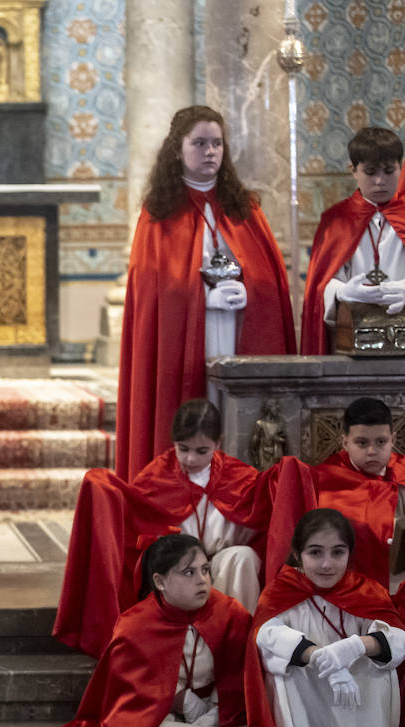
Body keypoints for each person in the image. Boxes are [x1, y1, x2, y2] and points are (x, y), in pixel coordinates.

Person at [54, 398, 315, 658]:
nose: (191, 459)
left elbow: (260, 515)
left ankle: (241, 646)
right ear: (173, 443)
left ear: (218, 443)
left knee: (243, 557)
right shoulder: (158, 476)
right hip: (179, 570)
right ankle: (188, 647)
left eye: (202, 451)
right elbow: (138, 523)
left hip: (220, 567)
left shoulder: (237, 476)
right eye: (183, 448)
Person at [115, 105, 294, 479]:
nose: (210, 151)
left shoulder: (245, 207)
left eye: (217, 143)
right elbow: (153, 289)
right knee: (196, 404)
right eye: (199, 143)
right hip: (186, 337)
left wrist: (252, 293)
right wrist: (202, 299)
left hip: (238, 330)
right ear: (177, 149)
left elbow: (268, 276)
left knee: (239, 415)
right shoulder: (159, 212)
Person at [39, 534, 260, 727]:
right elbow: (128, 704)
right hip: (159, 722)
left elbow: (242, 684)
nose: (202, 580)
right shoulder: (136, 625)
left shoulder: (231, 614)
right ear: (160, 582)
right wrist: (186, 703)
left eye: (205, 570)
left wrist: (214, 714)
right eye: (188, 573)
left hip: (216, 721)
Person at [246, 508, 405, 727]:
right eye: (315, 553)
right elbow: (266, 635)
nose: (327, 563)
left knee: (376, 669)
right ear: (297, 553)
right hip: (310, 690)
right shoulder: (284, 590)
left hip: (357, 692)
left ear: (350, 553)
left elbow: (398, 640)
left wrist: (356, 646)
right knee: (286, 670)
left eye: (337, 552)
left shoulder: (365, 590)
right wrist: (319, 656)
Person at [301, 127, 405, 355]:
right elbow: (321, 285)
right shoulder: (336, 220)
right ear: (353, 171)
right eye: (370, 172)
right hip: (353, 340)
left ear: (401, 167)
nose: (380, 181)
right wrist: (343, 292)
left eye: (389, 171)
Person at [312, 397, 405, 602]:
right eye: (362, 443)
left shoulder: (402, 473)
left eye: (381, 442)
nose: (372, 451)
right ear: (345, 441)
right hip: (347, 591)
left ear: (394, 439)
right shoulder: (323, 481)